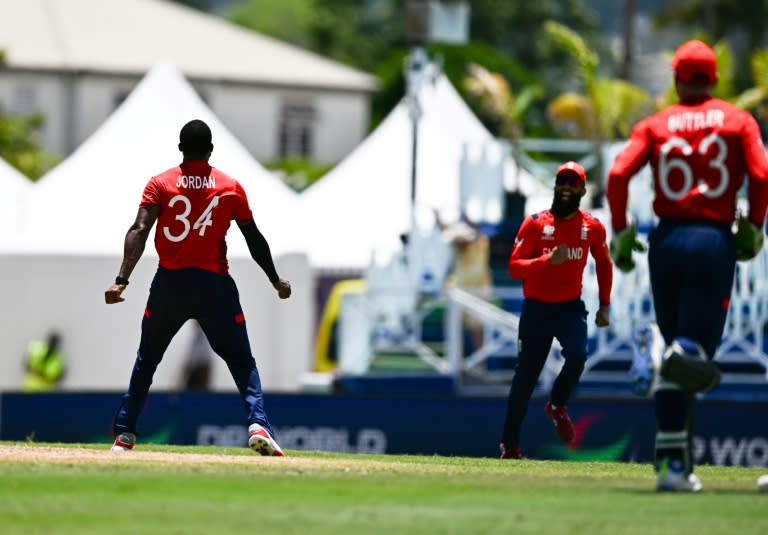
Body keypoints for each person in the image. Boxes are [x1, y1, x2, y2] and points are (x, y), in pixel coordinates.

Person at [606, 39, 768, 492]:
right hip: (712, 242)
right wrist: (754, 226)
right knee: (691, 356)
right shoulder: (737, 120)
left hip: (665, 239)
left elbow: (618, 174)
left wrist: (620, 233)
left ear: (677, 78)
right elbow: (761, 175)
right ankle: (665, 353)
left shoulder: (656, 123)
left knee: (679, 364)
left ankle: (672, 468)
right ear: (714, 78)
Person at [104, 119, 292, 456]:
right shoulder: (229, 187)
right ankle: (258, 424)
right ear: (210, 150)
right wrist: (274, 279)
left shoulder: (160, 184)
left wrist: (122, 280)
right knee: (241, 361)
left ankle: (124, 434)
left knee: (147, 360)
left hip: (170, 284)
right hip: (214, 285)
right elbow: (253, 237)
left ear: (180, 148)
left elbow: (139, 228)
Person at [499, 161, 612, 460]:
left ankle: (557, 405)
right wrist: (546, 262)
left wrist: (605, 304)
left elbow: (604, 263)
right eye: (561, 181)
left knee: (577, 356)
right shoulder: (535, 223)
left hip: (569, 308)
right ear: (554, 186)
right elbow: (513, 267)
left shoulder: (592, 227)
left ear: (582, 190)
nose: (565, 187)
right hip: (537, 309)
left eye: (572, 183)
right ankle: (510, 447)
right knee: (525, 379)